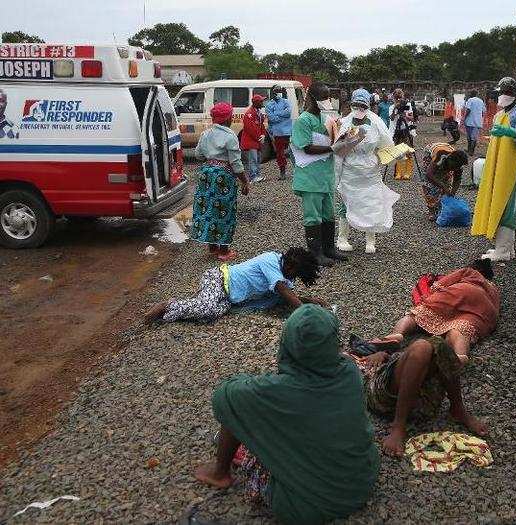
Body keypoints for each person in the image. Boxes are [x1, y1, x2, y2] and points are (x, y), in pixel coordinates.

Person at [194, 304, 379, 524]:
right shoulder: (349, 372)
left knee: (238, 410)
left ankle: (219, 473)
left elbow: (223, 397)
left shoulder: (273, 391)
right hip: (362, 481)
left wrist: (251, 382)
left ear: (287, 343)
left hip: (303, 506)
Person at [353, 259, 499, 456]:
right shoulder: (492, 289)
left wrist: (382, 354)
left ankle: (399, 423)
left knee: (422, 329)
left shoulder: (469, 273)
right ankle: (459, 366)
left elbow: (439, 286)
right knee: (447, 341)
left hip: (399, 397)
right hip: (413, 401)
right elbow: (493, 316)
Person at [143, 247, 324, 324]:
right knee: (206, 308)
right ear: (290, 265)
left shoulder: (285, 278)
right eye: (296, 274)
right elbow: (283, 291)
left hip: (230, 298)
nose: (294, 278)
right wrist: (306, 312)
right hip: (219, 279)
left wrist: (310, 301)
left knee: (210, 316)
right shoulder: (271, 260)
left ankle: (165, 316)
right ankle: (166, 305)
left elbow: (287, 296)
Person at [471, 76, 516, 262]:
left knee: (507, 205)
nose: (504, 95)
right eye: (502, 91)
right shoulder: (499, 114)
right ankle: (504, 247)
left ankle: (504, 251)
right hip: (497, 166)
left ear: (515, 94)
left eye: (508, 92)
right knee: (496, 201)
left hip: (510, 169)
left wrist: (511, 132)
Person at [334, 88, 400, 254]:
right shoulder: (346, 122)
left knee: (371, 203)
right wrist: (336, 177)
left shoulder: (376, 122)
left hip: (370, 170)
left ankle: (370, 241)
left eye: (362, 106)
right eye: (356, 106)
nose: (359, 110)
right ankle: (342, 238)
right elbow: (339, 151)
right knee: (346, 203)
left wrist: (394, 155)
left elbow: (387, 145)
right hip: (350, 171)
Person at [291, 82, 347, 267]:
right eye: (324, 97)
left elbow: (334, 137)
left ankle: (328, 248)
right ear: (313, 98)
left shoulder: (325, 117)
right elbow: (306, 147)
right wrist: (332, 147)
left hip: (325, 176)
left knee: (328, 213)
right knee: (313, 216)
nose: (327, 101)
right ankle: (315, 253)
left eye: (328, 97)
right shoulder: (304, 120)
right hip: (310, 177)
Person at [191, 102, 250, 261]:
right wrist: (245, 181)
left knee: (208, 209)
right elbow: (236, 164)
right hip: (223, 177)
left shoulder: (205, 134)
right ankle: (224, 252)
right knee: (225, 210)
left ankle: (212, 247)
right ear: (228, 118)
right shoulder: (230, 136)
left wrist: (211, 159)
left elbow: (198, 155)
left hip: (206, 176)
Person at [420, 143, 469, 221]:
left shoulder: (458, 165)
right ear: (449, 159)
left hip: (446, 153)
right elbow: (429, 174)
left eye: (457, 167)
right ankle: (431, 209)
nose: (455, 168)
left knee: (446, 181)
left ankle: (441, 207)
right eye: (453, 166)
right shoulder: (440, 155)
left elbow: (457, 180)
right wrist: (442, 186)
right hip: (430, 152)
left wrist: (452, 192)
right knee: (429, 184)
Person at [265, 85, 293, 180]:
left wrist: (276, 114)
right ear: (271, 92)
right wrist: (282, 115)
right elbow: (271, 118)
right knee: (280, 153)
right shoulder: (269, 105)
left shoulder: (285, 101)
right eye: (275, 91)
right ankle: (282, 172)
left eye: (279, 91)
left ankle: (297, 169)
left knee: (292, 151)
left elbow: (288, 113)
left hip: (287, 132)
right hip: (277, 133)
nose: (277, 93)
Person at [389, 89, 416, 180]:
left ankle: (407, 172)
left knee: (408, 151)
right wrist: (395, 109)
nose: (398, 100)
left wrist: (405, 116)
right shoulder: (392, 107)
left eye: (400, 97)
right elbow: (392, 119)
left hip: (406, 130)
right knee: (398, 152)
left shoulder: (407, 105)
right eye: (396, 98)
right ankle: (398, 173)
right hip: (397, 131)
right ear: (393, 98)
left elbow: (412, 118)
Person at [241, 94, 267, 183]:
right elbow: (250, 129)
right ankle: (253, 176)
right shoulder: (249, 114)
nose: (262, 103)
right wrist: (259, 137)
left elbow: (261, 125)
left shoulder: (258, 113)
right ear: (256, 103)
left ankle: (257, 175)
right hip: (251, 141)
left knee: (257, 159)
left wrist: (263, 135)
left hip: (256, 141)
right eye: (261, 101)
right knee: (253, 159)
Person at [463, 90, 486, 156]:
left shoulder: (470, 100)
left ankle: (469, 150)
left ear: (471, 94)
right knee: (474, 137)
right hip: (477, 122)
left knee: (469, 137)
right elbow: (483, 111)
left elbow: (468, 110)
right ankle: (471, 151)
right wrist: (480, 118)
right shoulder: (481, 101)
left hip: (469, 121)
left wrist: (465, 118)